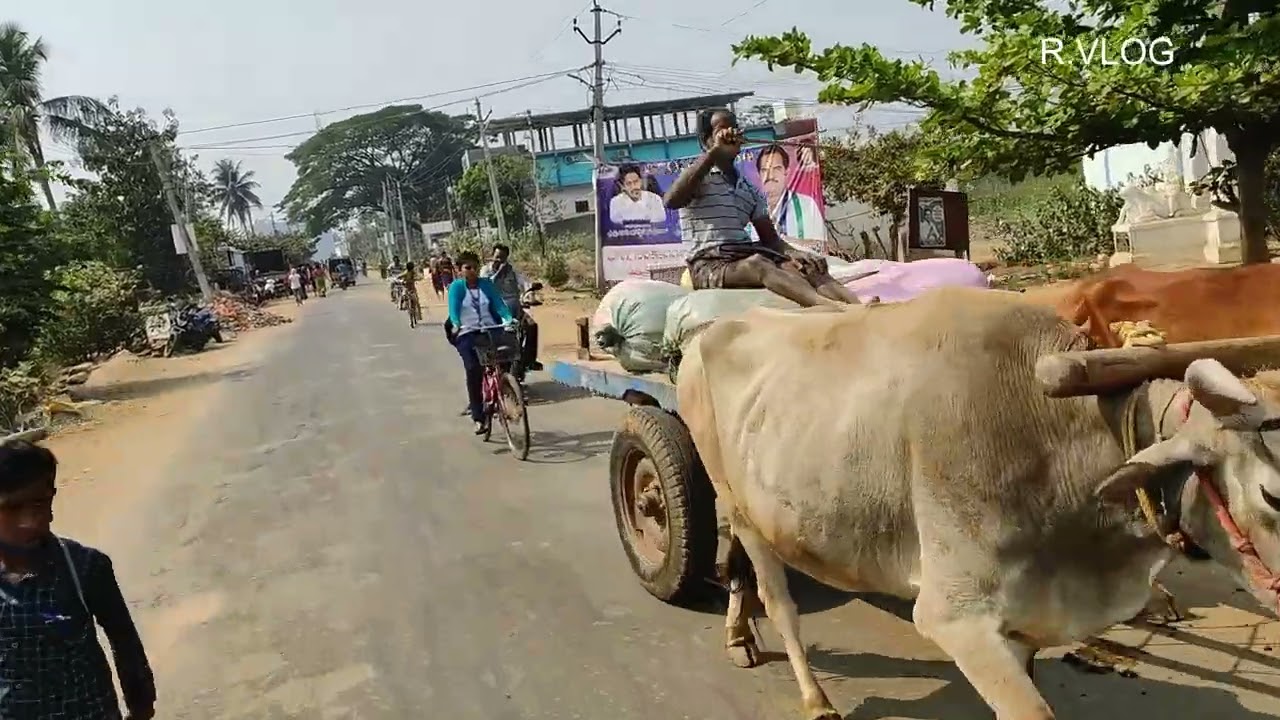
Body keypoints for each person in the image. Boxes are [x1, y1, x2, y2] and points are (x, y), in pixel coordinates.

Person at [0, 440, 156, 720]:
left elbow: (124, 641)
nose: (30, 521)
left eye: (39, 503)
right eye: (12, 508)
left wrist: (141, 705)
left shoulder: (85, 568)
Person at [663, 109, 862, 308]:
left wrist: (796, 253)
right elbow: (671, 201)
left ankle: (857, 305)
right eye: (721, 130)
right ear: (707, 140)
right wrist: (714, 151)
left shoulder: (748, 189)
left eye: (734, 129)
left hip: (742, 254)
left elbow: (771, 240)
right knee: (757, 263)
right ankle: (830, 307)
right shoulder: (698, 177)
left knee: (806, 266)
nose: (731, 134)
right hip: (709, 264)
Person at [446, 251, 515, 434]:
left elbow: (499, 304)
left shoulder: (486, 284)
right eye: (468, 267)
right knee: (473, 369)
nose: (473, 271)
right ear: (459, 270)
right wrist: (456, 324)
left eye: (475, 267)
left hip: (490, 329)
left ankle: (506, 390)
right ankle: (478, 416)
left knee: (507, 356)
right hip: (467, 332)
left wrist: (507, 318)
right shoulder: (456, 287)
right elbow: (453, 311)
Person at [481, 244, 542, 372]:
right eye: (497, 257)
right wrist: (498, 273)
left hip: (515, 307)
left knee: (531, 325)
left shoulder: (512, 271)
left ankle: (529, 360)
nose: (499, 260)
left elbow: (523, 281)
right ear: (492, 256)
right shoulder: (485, 271)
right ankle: (490, 361)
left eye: (502, 258)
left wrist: (531, 286)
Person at [755, 143, 827, 245]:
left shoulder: (807, 205)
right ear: (759, 175)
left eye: (777, 169)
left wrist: (787, 244)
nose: (770, 176)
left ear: (787, 172)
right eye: (764, 170)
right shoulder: (751, 208)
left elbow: (821, 247)